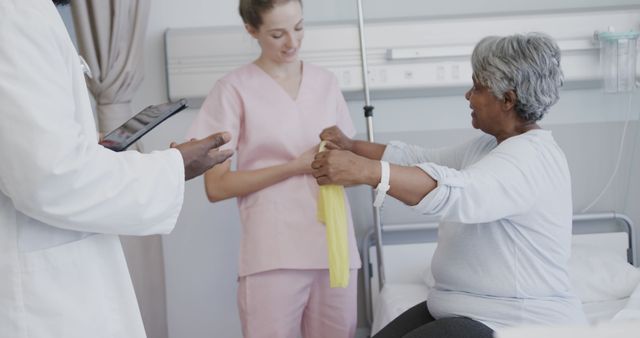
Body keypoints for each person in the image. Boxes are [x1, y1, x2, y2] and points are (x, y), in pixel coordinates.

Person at [311, 33, 588, 338]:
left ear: (508, 100)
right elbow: (420, 159)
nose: (469, 96)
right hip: (462, 309)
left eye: (478, 88)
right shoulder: (489, 147)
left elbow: (455, 192)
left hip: (512, 322)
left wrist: (368, 172)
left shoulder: (530, 160)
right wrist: (352, 147)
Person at [0, 1, 233, 337]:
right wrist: (173, 167)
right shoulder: (15, 15)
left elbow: (35, 152)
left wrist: (83, 146)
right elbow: (50, 178)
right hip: (39, 298)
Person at [185, 0, 360, 337]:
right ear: (252, 31)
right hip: (273, 251)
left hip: (334, 248)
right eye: (278, 34)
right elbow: (216, 187)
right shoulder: (233, 89)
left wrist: (345, 165)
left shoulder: (325, 83)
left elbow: (349, 170)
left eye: (298, 28)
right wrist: (295, 166)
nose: (292, 42)